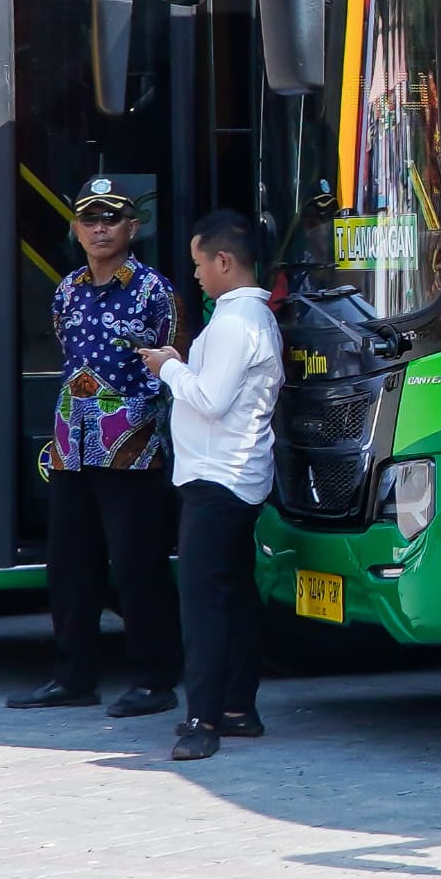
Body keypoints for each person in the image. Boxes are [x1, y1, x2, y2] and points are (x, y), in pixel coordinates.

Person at [9, 177, 183, 718]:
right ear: (75, 229)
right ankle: (73, 676)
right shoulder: (68, 288)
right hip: (72, 443)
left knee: (137, 564)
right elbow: (64, 343)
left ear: (133, 227)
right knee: (68, 563)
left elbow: (170, 359)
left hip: (130, 444)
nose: (99, 227)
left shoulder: (155, 289)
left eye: (111, 218)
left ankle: (156, 680)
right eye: (89, 218)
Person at [141, 209, 281, 763]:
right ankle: (239, 708)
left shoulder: (233, 324)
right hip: (235, 477)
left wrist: (168, 368)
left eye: (201, 263)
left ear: (224, 261)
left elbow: (209, 400)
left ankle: (202, 720)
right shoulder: (254, 319)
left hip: (217, 478)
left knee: (202, 604)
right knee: (235, 596)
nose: (196, 274)